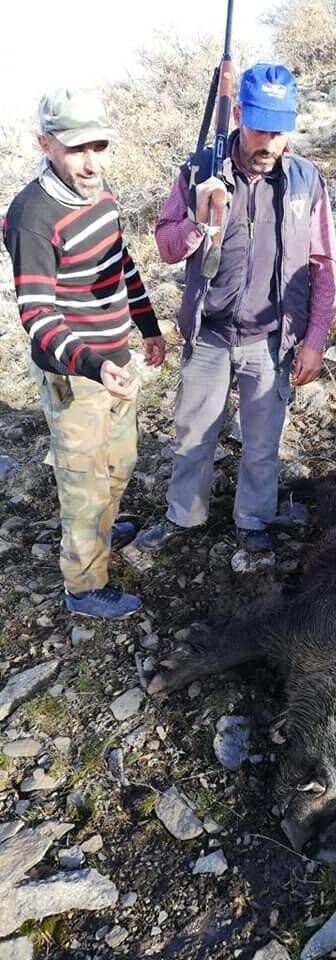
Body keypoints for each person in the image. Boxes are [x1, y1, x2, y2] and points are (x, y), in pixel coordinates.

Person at [136, 63, 336, 555]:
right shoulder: (200, 169)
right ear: (238, 113)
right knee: (192, 437)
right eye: (258, 126)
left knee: (263, 446)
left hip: (271, 340)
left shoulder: (305, 180)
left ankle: (253, 521)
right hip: (210, 334)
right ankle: (184, 517)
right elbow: (165, 246)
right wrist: (200, 223)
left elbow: (324, 263)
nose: (268, 140)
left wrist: (314, 341)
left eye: (279, 128)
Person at [3, 87, 166, 618]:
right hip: (76, 375)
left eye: (99, 146)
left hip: (116, 359)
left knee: (120, 460)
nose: (91, 161)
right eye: (76, 149)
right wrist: (97, 366)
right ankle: (83, 587)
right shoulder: (32, 215)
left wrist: (149, 327)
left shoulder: (99, 189)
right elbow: (38, 317)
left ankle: (104, 524)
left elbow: (122, 262)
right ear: (45, 144)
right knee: (82, 481)